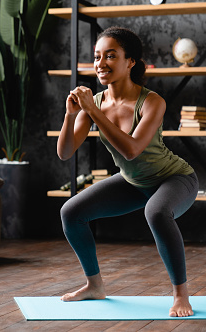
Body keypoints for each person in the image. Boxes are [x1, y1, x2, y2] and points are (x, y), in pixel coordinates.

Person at [57, 26, 198, 317]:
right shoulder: (94, 103)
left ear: (130, 61)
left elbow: (132, 150)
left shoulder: (152, 101)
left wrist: (93, 113)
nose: (101, 63)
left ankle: (181, 295)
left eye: (110, 55)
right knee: (71, 213)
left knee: (156, 212)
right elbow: (64, 151)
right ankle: (94, 286)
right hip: (133, 182)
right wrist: (70, 116)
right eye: (97, 57)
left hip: (174, 179)